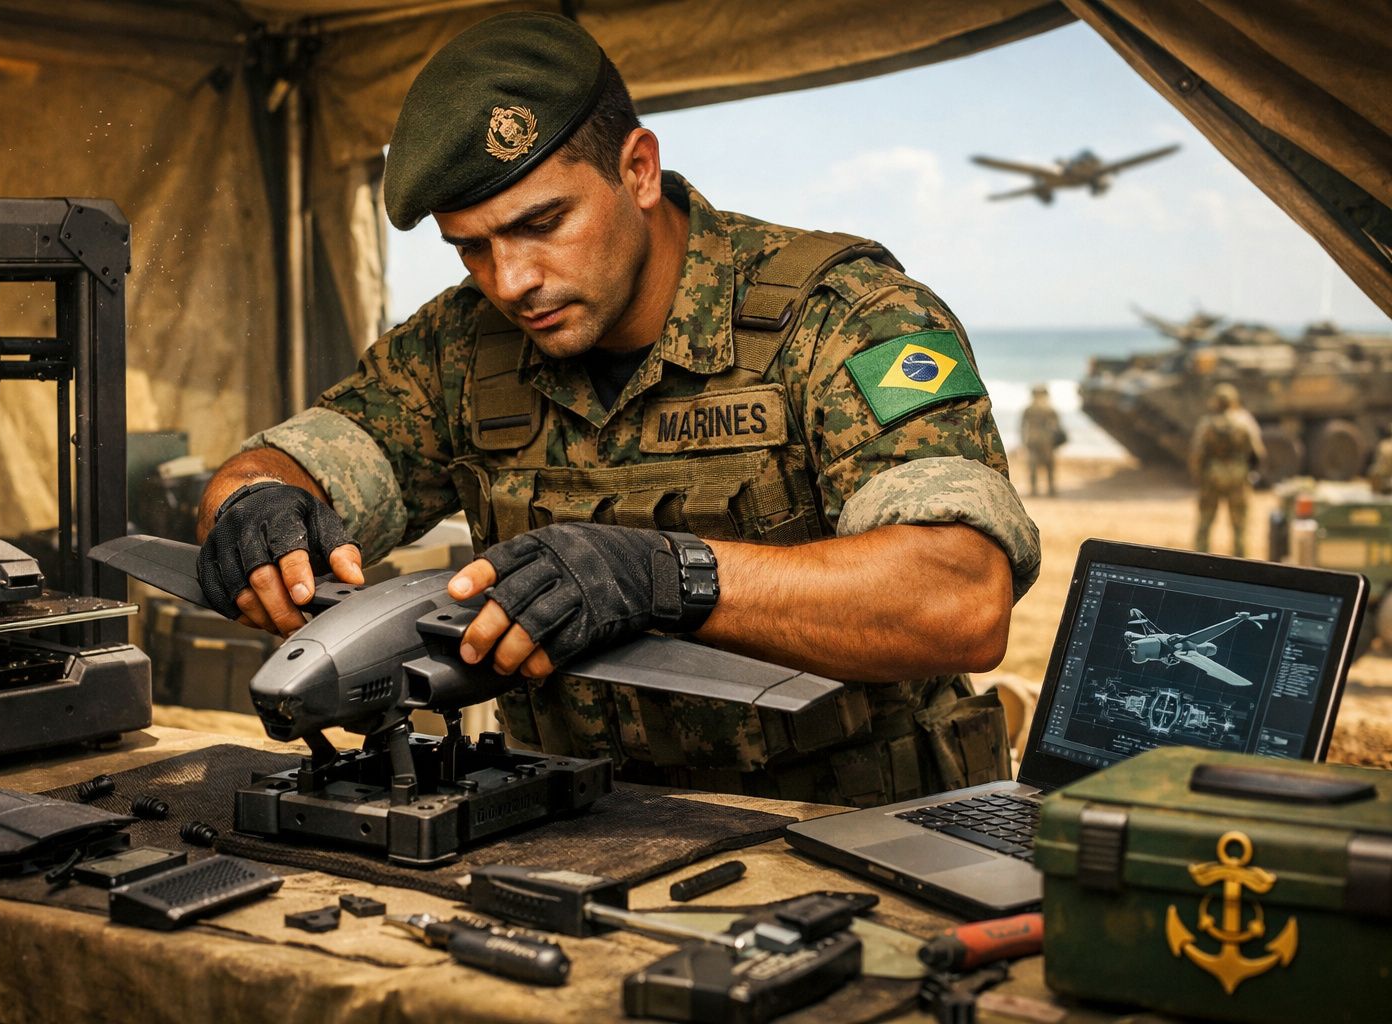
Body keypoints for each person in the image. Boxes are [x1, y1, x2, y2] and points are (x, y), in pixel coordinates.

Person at [195, 12, 1041, 807]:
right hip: (578, 825)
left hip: (848, 830)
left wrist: (666, 577)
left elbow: (958, 600)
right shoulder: (460, 345)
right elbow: (287, 463)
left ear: (637, 170)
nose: (511, 280)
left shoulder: (845, 316)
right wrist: (253, 505)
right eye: (473, 248)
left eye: (542, 223)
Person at [1189, 382, 1265, 556]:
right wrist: (1249, 473)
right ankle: (1241, 562)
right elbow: (1257, 452)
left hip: (1212, 476)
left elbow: (1197, 454)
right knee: (1240, 526)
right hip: (1238, 476)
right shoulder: (1245, 420)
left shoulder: (1207, 422)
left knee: (1205, 523)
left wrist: (1199, 477)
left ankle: (1199, 560)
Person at [1019, 384, 1065, 497]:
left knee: (1033, 465)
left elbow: (1022, 427)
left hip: (1033, 438)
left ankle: (1034, 490)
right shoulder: (1049, 409)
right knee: (1049, 465)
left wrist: (1023, 441)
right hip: (1046, 439)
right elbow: (1057, 427)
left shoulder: (1028, 409)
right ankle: (1051, 489)